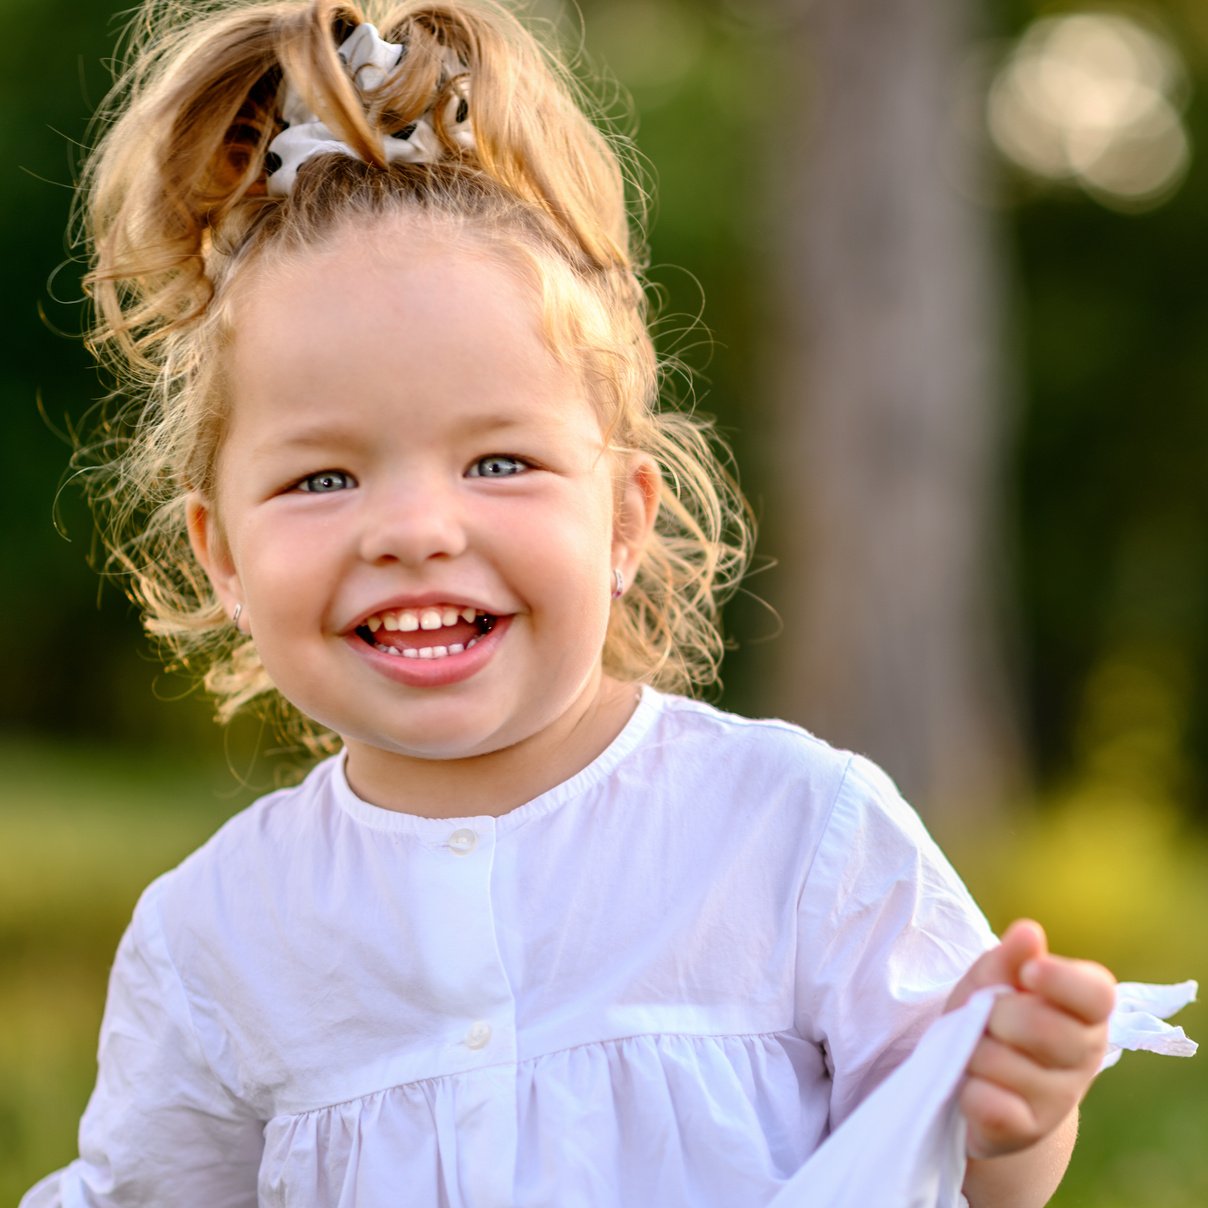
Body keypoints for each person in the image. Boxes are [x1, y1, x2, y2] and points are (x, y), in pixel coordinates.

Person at [23, 1, 1166, 1204]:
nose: (416, 528)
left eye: (499, 461)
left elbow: (953, 1171)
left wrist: (1010, 1117)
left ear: (621, 517)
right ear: (224, 559)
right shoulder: (217, 937)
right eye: (321, 476)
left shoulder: (793, 833)